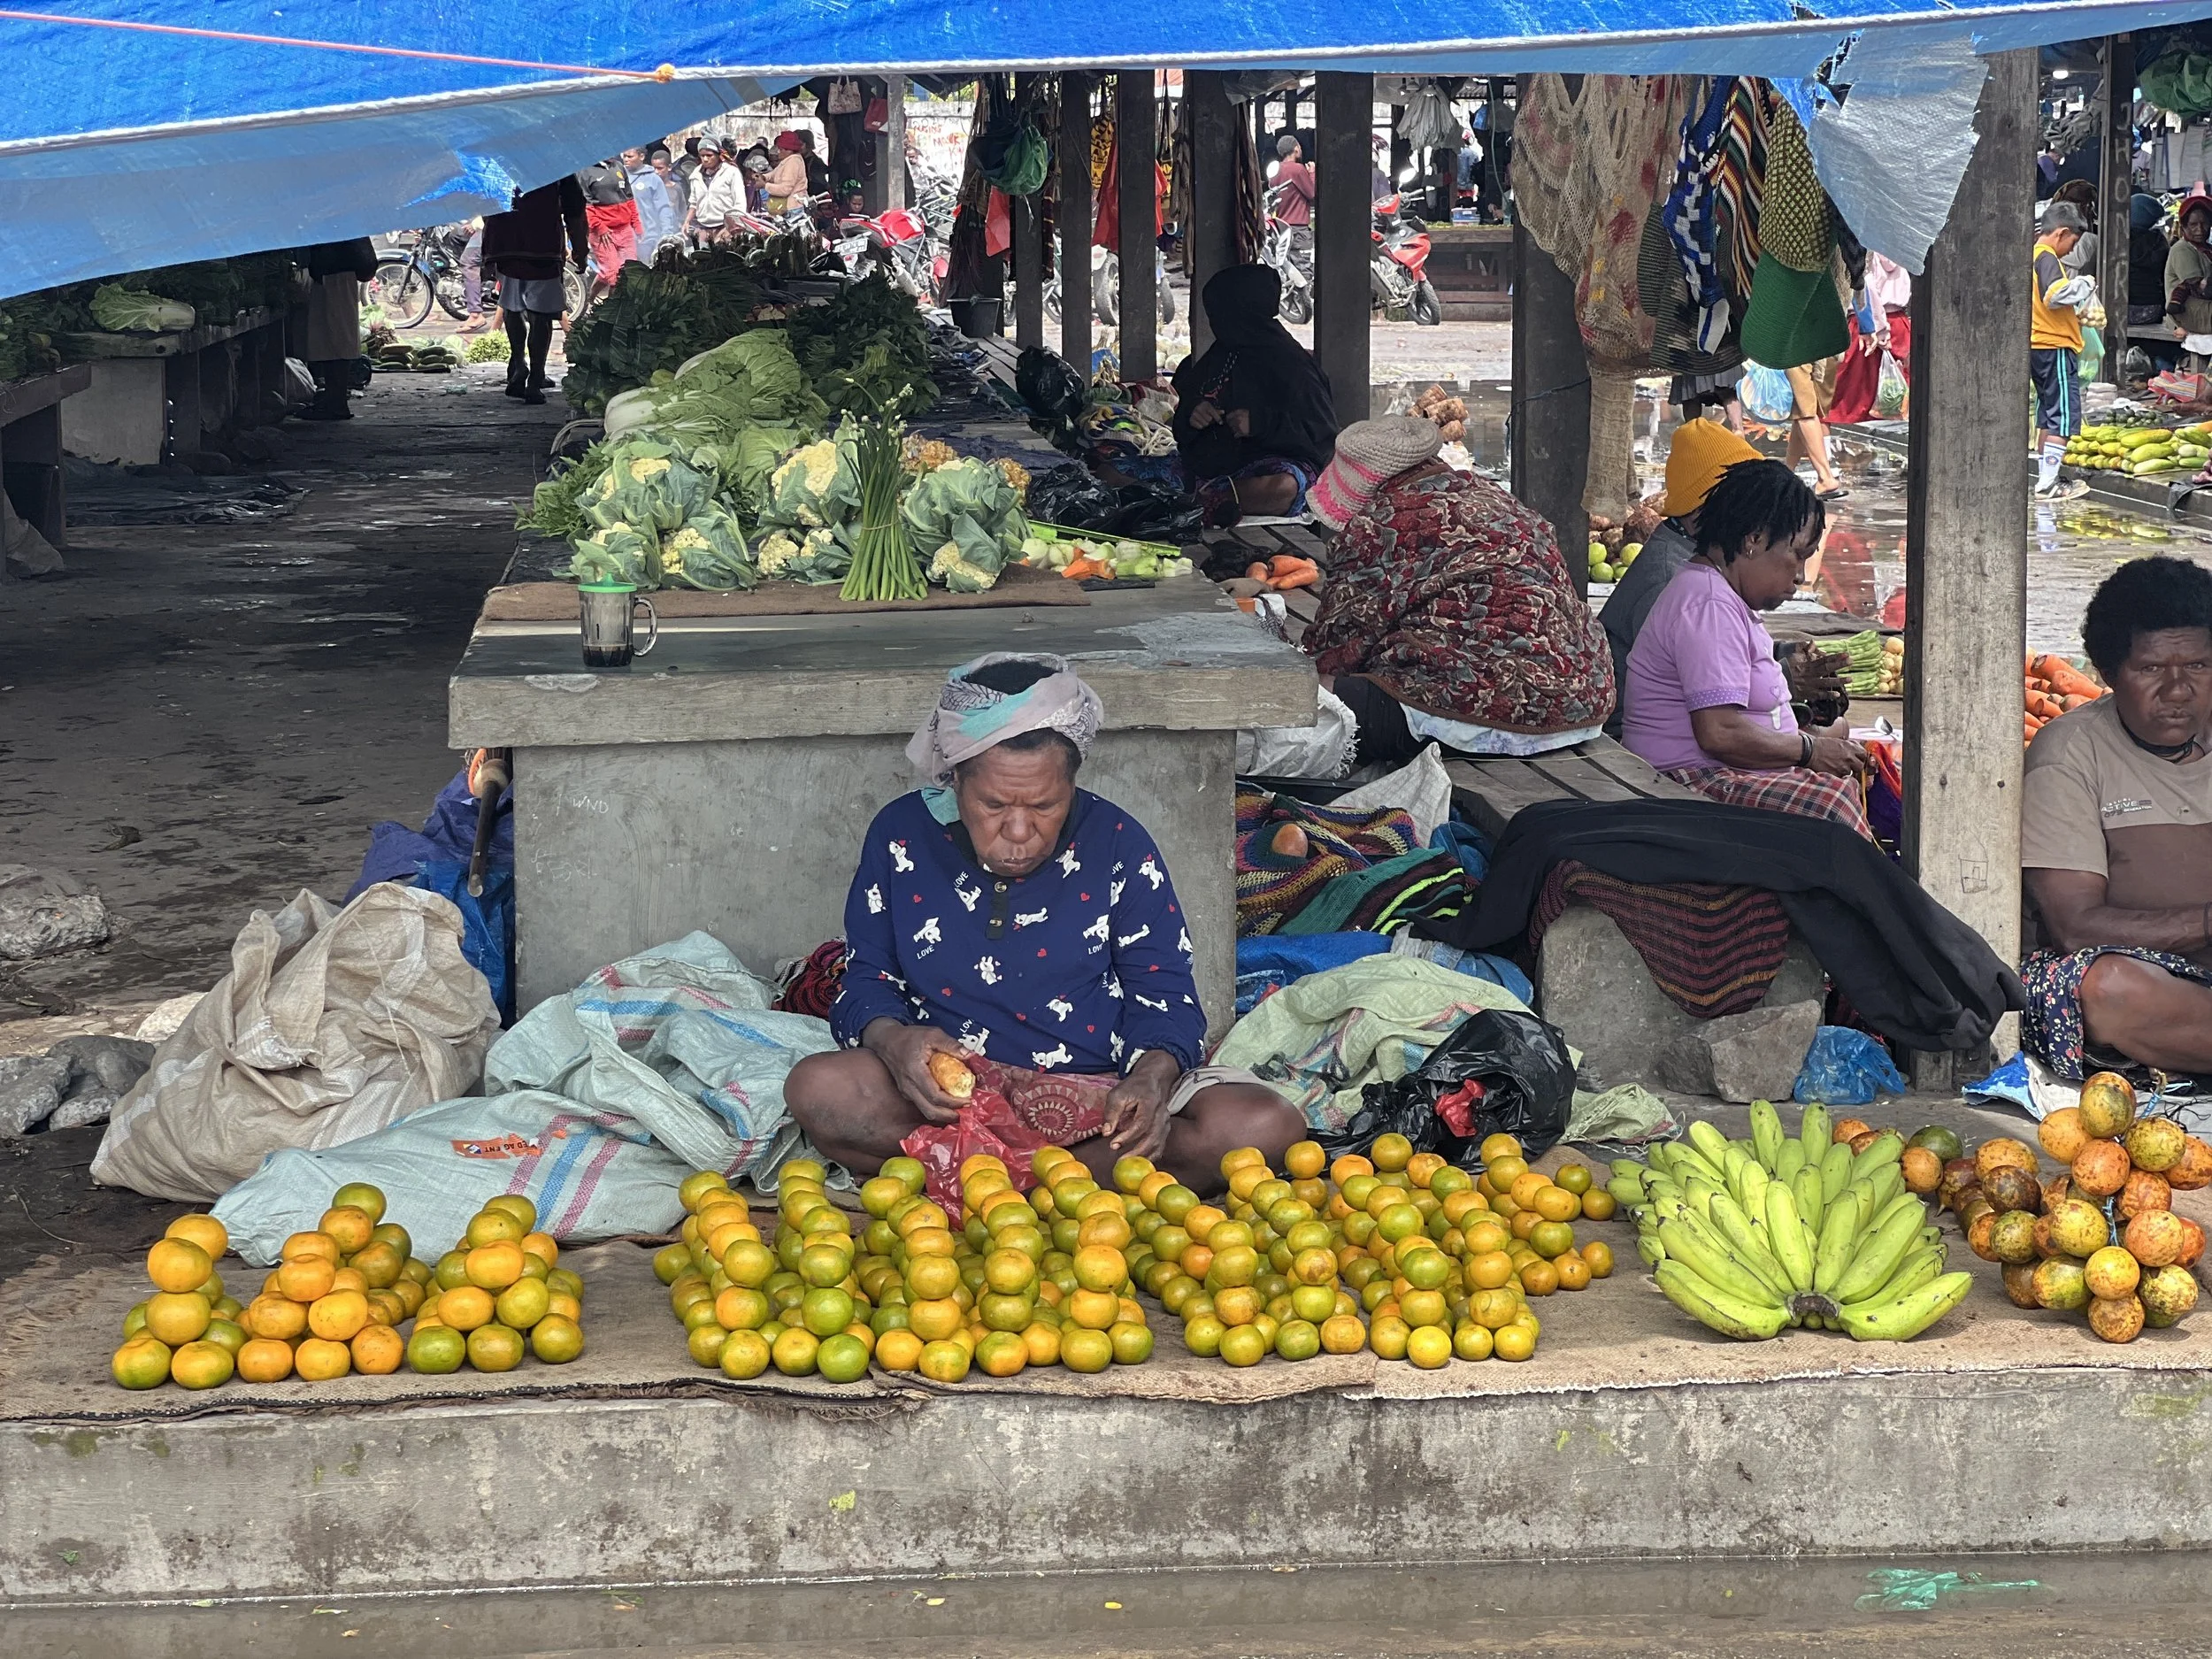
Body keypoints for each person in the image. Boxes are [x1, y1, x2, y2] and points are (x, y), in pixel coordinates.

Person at [783, 655, 1305, 1195]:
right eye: (992, 804)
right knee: (819, 1089)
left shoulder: (1118, 844)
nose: (1018, 830)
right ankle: (1061, 1183)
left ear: (1072, 785)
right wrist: (894, 1041)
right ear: (954, 779)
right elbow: (867, 978)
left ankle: (984, 1177)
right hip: (953, 1097)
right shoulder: (902, 836)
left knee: (1264, 1126)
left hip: (1100, 1097)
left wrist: (1150, 1078)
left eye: (1045, 806)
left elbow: (1166, 994)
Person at [1302, 418, 1615, 764]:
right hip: (1583, 702)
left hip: (1485, 717)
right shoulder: (1494, 497)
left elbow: (1338, 646)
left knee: (1305, 698)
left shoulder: (1380, 524)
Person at [2021, 556, 2212, 1085]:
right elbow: (2074, 928)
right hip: (2153, 984)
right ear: (2108, 673)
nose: (2178, 691)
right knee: (2107, 990)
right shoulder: (2071, 753)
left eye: (2198, 666)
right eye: (2151, 670)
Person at [1621, 459, 1873, 835]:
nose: (1802, 576)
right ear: (1753, 540)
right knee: (1831, 807)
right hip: (1686, 783)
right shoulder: (1709, 605)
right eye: (1798, 555)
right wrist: (1810, 752)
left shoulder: (1720, 598)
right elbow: (1719, 733)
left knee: (1843, 742)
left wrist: (1811, 734)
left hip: (1712, 773)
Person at [1603, 420, 1847, 738]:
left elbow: (1716, 650)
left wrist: (1780, 653)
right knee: (1828, 739)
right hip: (1641, 741)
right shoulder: (1674, 579)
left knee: (1833, 732)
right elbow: (1704, 692)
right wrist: (1787, 678)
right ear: (1711, 505)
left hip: (1696, 726)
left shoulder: (1702, 560)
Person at [1170, 265, 1338, 527]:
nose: (1217, 324)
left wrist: (1260, 424)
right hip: (1207, 467)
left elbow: (1322, 435)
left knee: (1284, 487)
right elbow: (1180, 414)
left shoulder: (1293, 365)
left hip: (1267, 469)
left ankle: (1198, 502)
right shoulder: (1220, 355)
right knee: (1111, 472)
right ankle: (1203, 500)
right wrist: (1193, 412)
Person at [480, 176, 588, 405]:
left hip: (504, 245)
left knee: (511, 305)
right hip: (542, 247)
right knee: (540, 314)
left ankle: (518, 362)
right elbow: (575, 210)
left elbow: (483, 203)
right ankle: (536, 377)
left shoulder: (500, 161)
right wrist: (581, 249)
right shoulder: (556, 165)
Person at [2032, 201, 2096, 501]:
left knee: (2048, 415)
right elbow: (2055, 295)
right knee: (2063, 416)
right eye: (2072, 241)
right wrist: (2083, 283)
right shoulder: (2046, 258)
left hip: (2038, 345)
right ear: (2062, 232)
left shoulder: (2033, 256)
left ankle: (2047, 476)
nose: (2072, 250)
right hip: (2054, 344)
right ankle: (2048, 483)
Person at [1827, 251, 1910, 426]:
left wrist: (1878, 329)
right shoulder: (1899, 250)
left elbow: (1866, 288)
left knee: (1847, 399)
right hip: (1898, 323)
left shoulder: (1866, 248)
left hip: (1866, 325)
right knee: (1896, 394)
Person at [299, 238, 378, 420]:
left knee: (339, 336)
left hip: (337, 274)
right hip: (328, 274)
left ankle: (337, 402)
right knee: (328, 338)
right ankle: (333, 399)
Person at [576, 158, 640, 302]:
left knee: (629, 272)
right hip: (602, 232)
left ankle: (590, 300)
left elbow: (629, 197)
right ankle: (612, 311)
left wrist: (636, 223)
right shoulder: (585, 171)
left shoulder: (618, 166)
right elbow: (586, 205)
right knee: (614, 275)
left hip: (624, 228)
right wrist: (600, 227)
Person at [2166, 192, 2212, 370]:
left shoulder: (2206, 249)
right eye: (2193, 225)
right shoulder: (2182, 250)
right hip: (2185, 310)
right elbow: (2199, 288)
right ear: (2184, 226)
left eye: (2204, 223)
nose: (2199, 229)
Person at [1271, 134, 1316, 285]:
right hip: (1299, 228)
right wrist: (1312, 173)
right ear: (1296, 149)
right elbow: (1311, 193)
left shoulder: (1275, 170)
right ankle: (1306, 305)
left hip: (1282, 227)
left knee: (1288, 268)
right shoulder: (1297, 169)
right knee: (1304, 269)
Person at [625, 146, 681, 257]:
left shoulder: (653, 179)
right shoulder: (619, 177)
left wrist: (667, 234)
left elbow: (663, 207)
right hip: (625, 238)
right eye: (625, 156)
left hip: (648, 237)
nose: (626, 159)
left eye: (630, 156)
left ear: (641, 157)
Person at [687, 141, 747, 241]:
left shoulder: (731, 172)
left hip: (725, 228)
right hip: (702, 228)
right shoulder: (696, 174)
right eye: (702, 156)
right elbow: (694, 203)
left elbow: (740, 204)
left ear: (719, 155)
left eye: (709, 155)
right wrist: (687, 222)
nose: (705, 159)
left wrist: (732, 228)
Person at [764, 133, 810, 216]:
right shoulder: (787, 161)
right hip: (784, 207)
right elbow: (772, 174)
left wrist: (765, 186)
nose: (778, 152)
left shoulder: (793, 162)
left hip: (791, 209)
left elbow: (785, 189)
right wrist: (762, 177)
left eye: (780, 149)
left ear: (789, 150)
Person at [649, 145, 688, 235]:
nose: (656, 172)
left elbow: (682, 211)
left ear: (669, 167)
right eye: (654, 168)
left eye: (660, 168)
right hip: (654, 233)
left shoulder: (676, 188)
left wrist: (681, 226)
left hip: (673, 232)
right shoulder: (649, 188)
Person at [798, 130, 831, 200]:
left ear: (809, 144)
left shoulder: (816, 163)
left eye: (800, 145)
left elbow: (821, 184)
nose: (798, 148)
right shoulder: (798, 160)